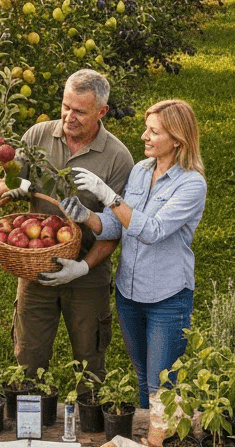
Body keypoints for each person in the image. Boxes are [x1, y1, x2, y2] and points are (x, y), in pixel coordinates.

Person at [61, 99, 206, 409]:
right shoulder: (141, 171)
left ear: (177, 139)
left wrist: (109, 196)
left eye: (153, 132)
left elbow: (152, 230)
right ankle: (149, 442)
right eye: (146, 129)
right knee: (143, 377)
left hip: (167, 298)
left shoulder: (192, 185)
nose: (144, 136)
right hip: (129, 293)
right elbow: (118, 224)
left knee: (161, 384)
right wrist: (88, 216)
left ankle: (162, 446)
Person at [0, 69, 133, 383]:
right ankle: (29, 424)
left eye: (80, 111)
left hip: (87, 276)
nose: (69, 116)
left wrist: (82, 267)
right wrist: (9, 184)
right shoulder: (38, 136)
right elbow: (10, 180)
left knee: (89, 365)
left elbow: (117, 228)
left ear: (102, 111)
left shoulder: (117, 158)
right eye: (66, 106)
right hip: (36, 266)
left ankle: (92, 429)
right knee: (28, 360)